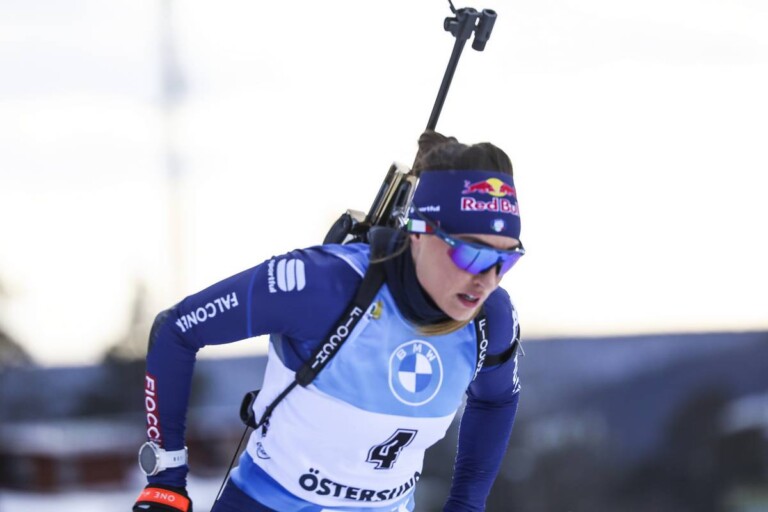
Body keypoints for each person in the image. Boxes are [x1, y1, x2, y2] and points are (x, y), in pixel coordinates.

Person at [132, 130, 525, 512]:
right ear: (419, 232)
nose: (487, 279)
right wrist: (166, 480)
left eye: (505, 260)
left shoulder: (490, 320)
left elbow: (497, 400)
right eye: (471, 254)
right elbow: (177, 330)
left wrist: (466, 504)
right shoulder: (322, 284)